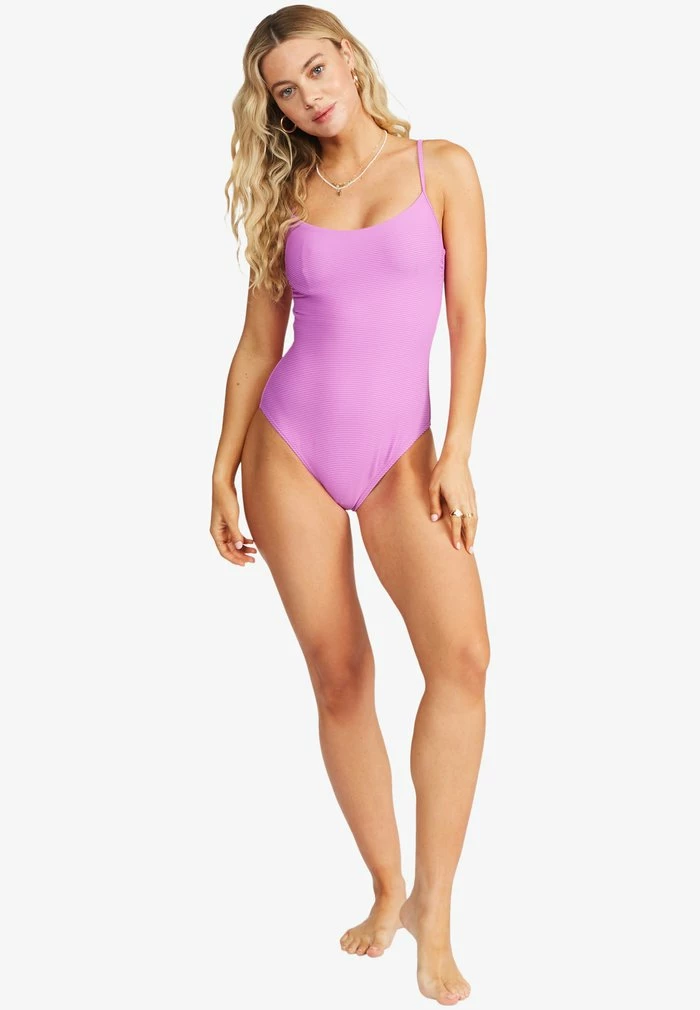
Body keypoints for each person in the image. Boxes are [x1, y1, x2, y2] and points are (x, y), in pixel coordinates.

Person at [211, 5, 489, 1005]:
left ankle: (435, 912)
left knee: (462, 660)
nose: (308, 96)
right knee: (340, 675)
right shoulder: (285, 193)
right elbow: (258, 343)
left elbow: (469, 320)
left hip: (405, 456)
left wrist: (457, 452)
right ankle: (386, 888)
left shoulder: (441, 168)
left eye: (316, 70)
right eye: (285, 90)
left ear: (350, 58)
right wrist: (220, 468)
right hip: (288, 449)